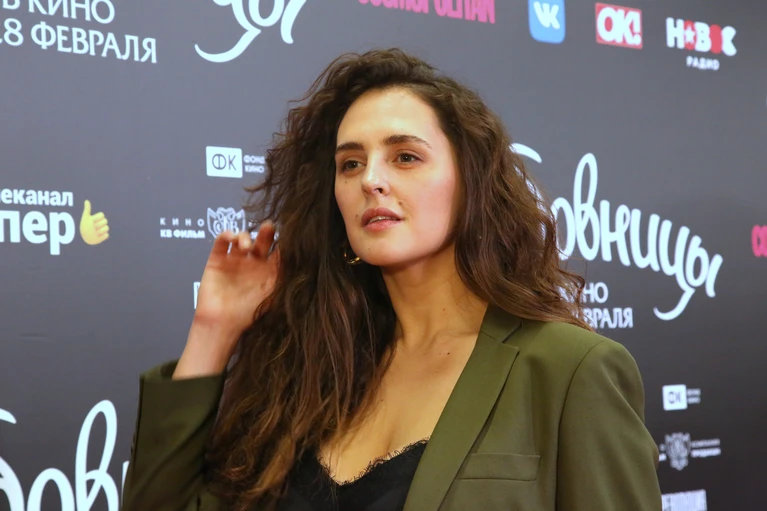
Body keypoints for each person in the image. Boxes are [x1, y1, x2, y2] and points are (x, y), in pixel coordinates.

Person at [121, 48, 662, 511]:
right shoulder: (313, 369)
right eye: (351, 164)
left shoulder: (569, 369)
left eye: (405, 157)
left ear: (470, 182)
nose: (372, 180)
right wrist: (214, 330)